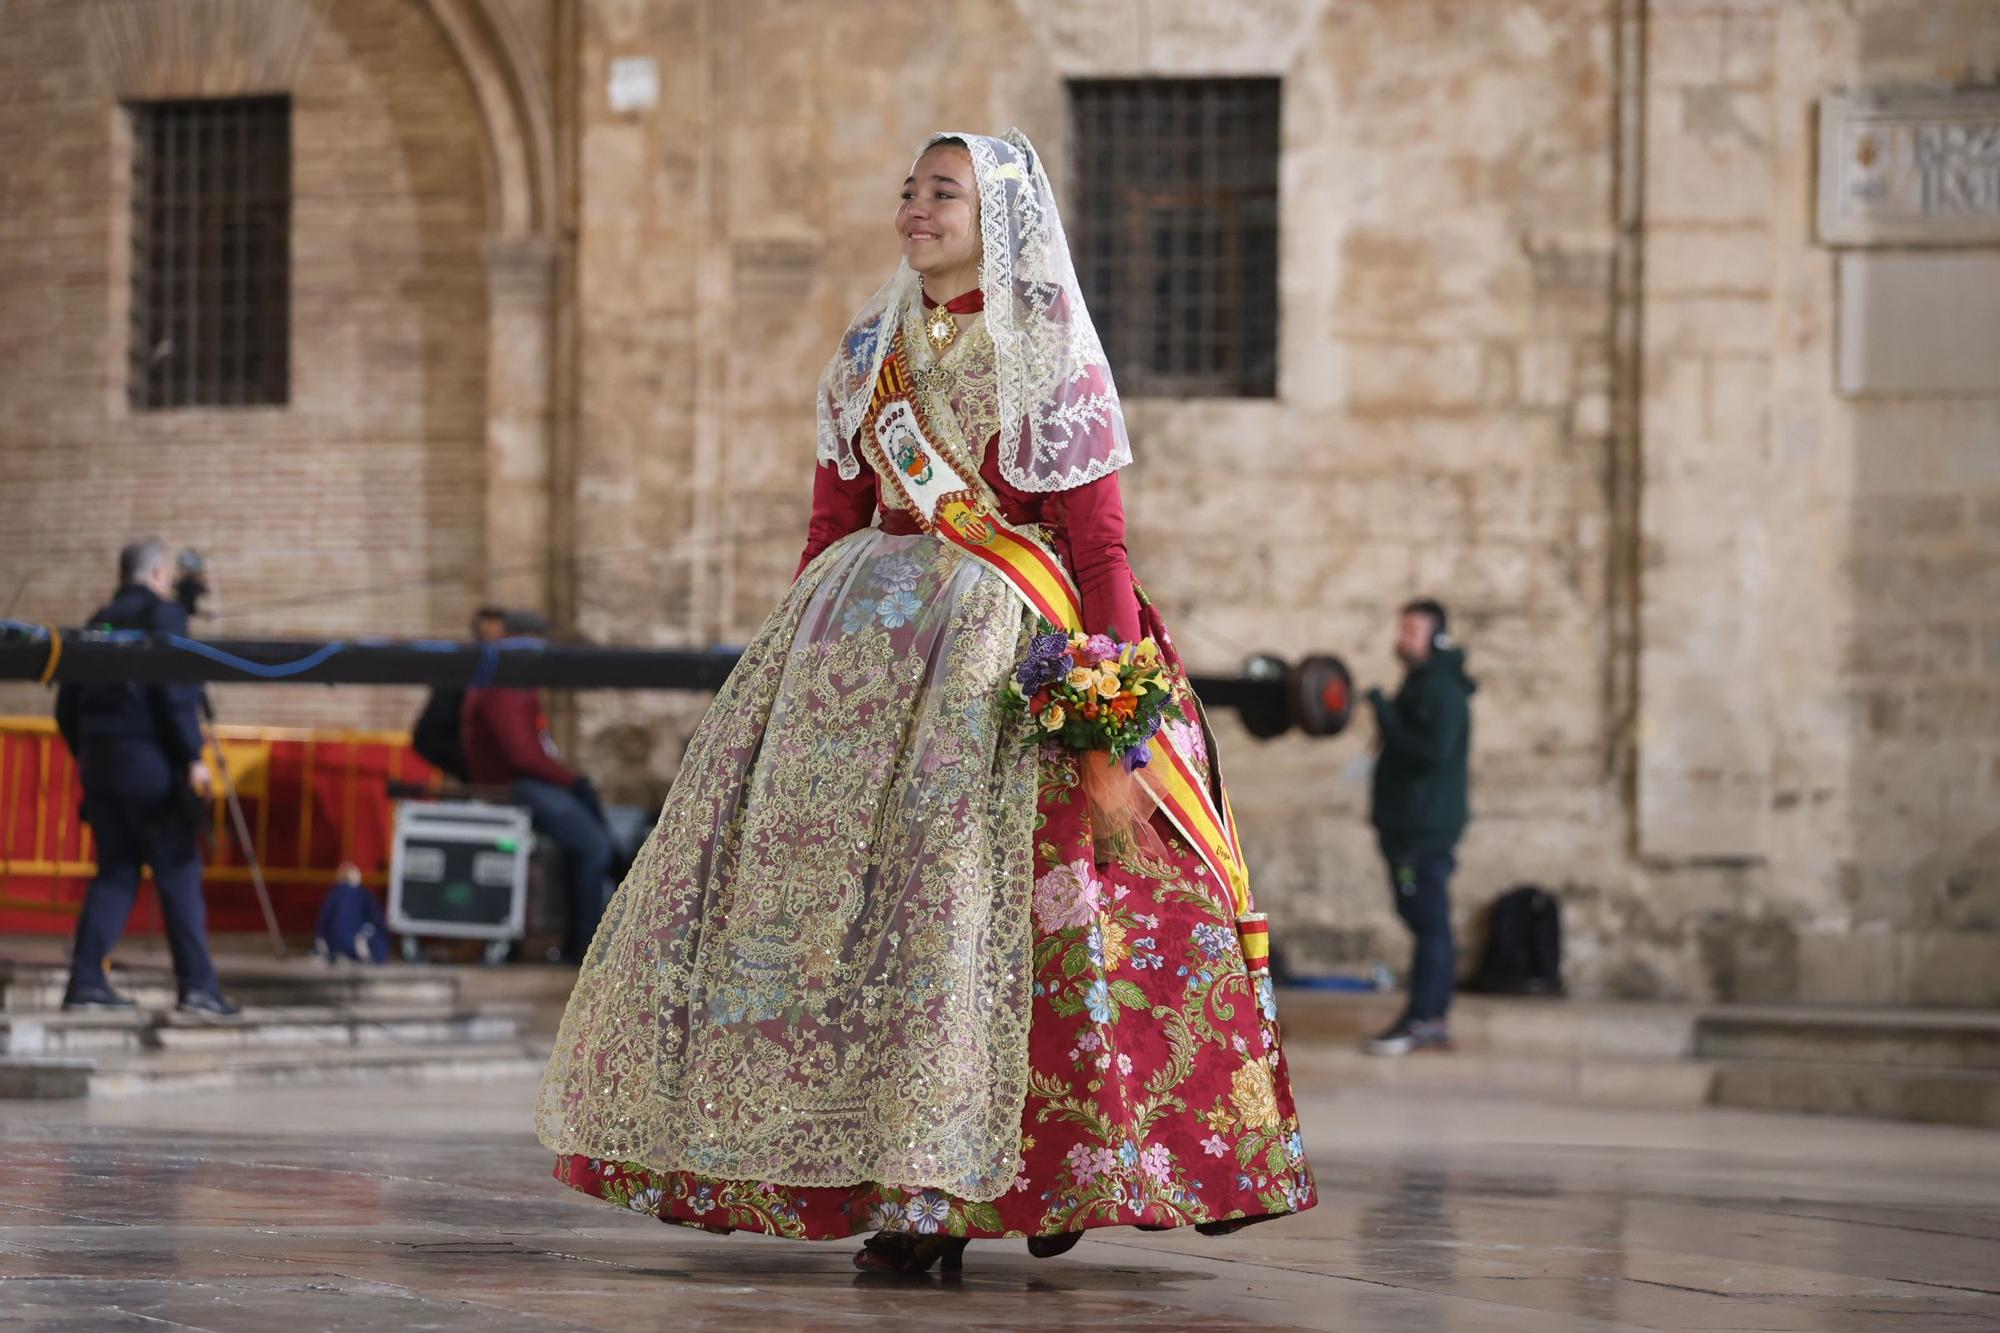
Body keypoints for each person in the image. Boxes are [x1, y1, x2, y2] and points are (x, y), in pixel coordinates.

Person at [535, 130, 1315, 1275]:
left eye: (941, 192)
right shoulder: (867, 350)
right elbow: (829, 523)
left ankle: (1006, 1178)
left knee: (976, 916)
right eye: (908, 190)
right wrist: (793, 668)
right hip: (855, 667)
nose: (915, 207)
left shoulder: (1042, 349)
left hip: (1000, 667)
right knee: (857, 930)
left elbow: (1096, 543)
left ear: (995, 214)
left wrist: (1114, 695)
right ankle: (881, 1177)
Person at [53, 538, 240, 1018]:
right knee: (179, 870)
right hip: (150, 766)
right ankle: (198, 987)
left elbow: (65, 706)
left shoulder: (96, 623)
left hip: (100, 764)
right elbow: (175, 691)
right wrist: (192, 755)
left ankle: (87, 982)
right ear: (159, 574)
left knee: (116, 870)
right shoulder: (165, 616)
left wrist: (91, 752)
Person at [460, 610, 612, 962]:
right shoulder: (505, 684)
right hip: (513, 785)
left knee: (593, 823)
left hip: (522, 781)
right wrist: (570, 781)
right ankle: (586, 946)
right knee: (593, 845)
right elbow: (522, 754)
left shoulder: (509, 680)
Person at [1363, 598, 1476, 1056]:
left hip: (1422, 830)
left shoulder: (1442, 690)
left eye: (1412, 631)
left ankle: (1424, 1019)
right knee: (1424, 920)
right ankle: (1431, 1016)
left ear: (1436, 638)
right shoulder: (1426, 683)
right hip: (1410, 826)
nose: (1401, 639)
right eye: (1402, 629)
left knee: (1430, 924)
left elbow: (1431, 752)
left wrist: (1384, 714)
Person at [409, 605, 507, 782]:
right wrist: (472, 767)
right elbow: (430, 733)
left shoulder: (501, 667)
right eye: (492, 625)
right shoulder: (464, 668)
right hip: (466, 765)